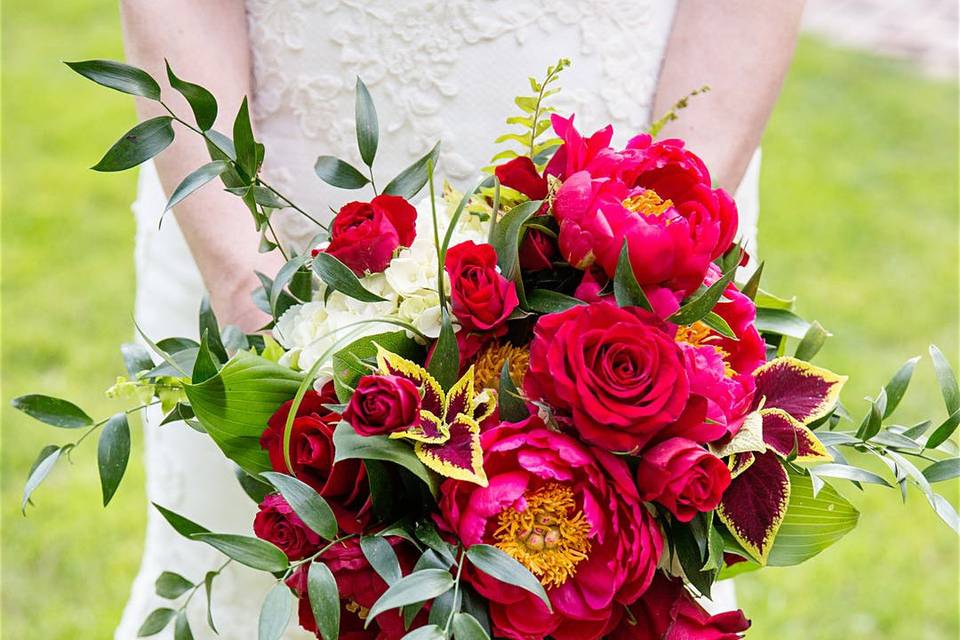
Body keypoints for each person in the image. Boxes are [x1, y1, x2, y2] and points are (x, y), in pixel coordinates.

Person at [117, 1, 805, 637]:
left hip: (620, 207)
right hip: (267, 230)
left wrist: (645, 271)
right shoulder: (260, 285)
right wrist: (252, 291)